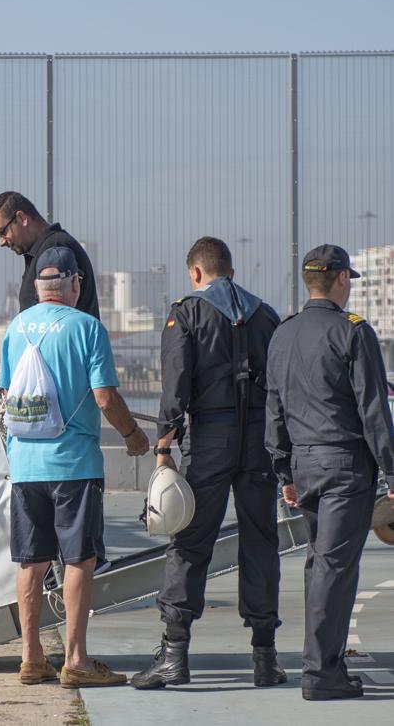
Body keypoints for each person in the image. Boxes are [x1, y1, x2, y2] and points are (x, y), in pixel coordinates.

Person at [132, 237, 285, 690]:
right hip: (259, 440)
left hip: (210, 440)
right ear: (231, 271)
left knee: (190, 540)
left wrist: (164, 448)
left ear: (196, 273)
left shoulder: (188, 313)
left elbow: (174, 385)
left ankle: (174, 654)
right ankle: (264, 656)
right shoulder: (266, 315)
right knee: (261, 541)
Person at [0, 247, 149, 688]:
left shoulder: (16, 327)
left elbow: (8, 395)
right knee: (78, 559)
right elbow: (104, 397)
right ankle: (76, 659)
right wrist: (132, 436)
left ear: (38, 288)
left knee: (31, 561)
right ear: (75, 285)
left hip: (25, 465)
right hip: (74, 464)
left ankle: (31, 657)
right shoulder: (88, 328)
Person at [265, 244, 394, 701]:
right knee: (335, 569)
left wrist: (284, 472)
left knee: (319, 564)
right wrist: (393, 474)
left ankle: (325, 661)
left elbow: (274, 410)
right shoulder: (353, 332)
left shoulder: (283, 334)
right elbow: (374, 410)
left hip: (304, 464)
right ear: (341, 279)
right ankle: (321, 673)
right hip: (344, 466)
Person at [0, 191, 99, 384]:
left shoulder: (55, 251)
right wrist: (11, 360)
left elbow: (56, 317)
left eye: (2, 232)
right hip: (51, 374)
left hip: (60, 379)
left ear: (21, 218)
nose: (1, 242)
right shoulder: (41, 251)